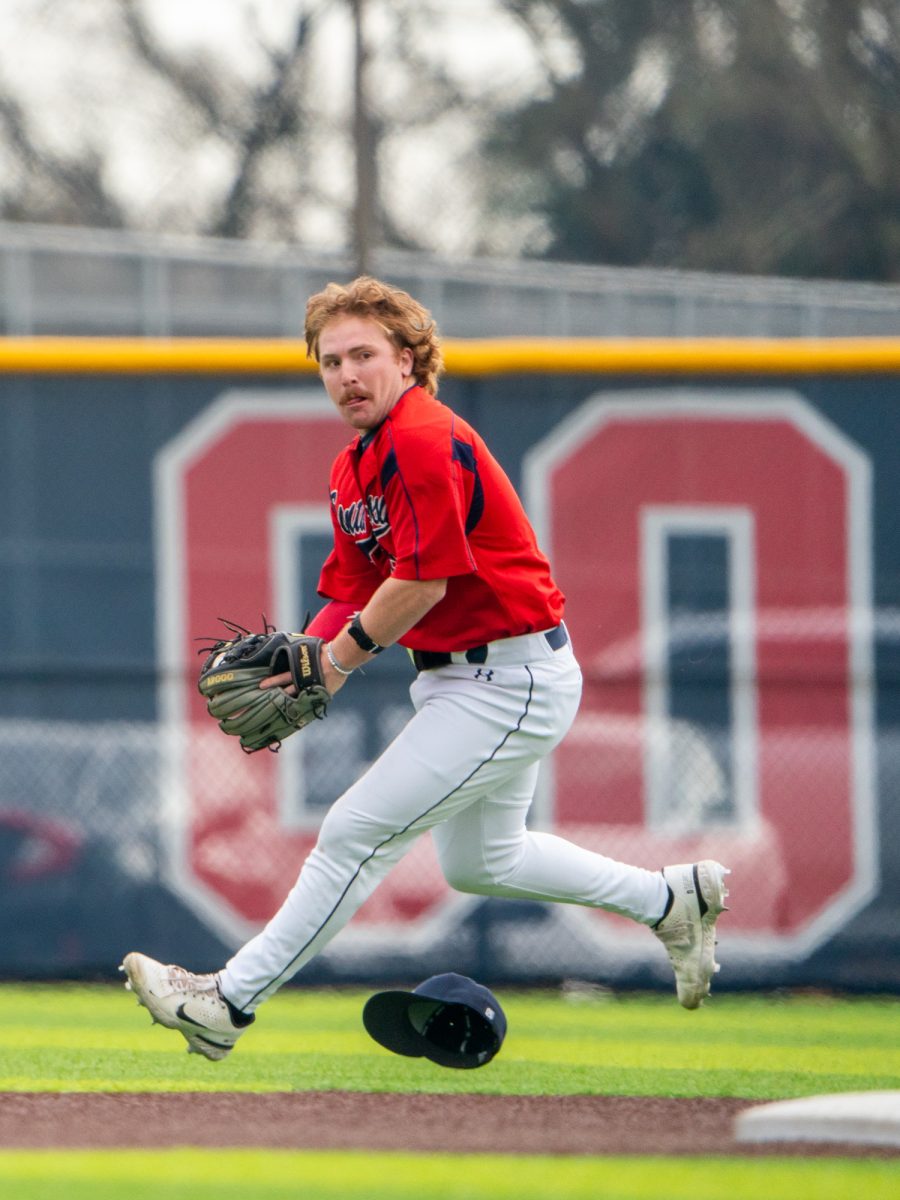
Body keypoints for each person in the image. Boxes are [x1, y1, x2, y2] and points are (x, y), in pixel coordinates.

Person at [121, 276, 729, 1060]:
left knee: (353, 833)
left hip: (510, 679)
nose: (346, 374)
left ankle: (227, 1002)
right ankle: (670, 900)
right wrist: (305, 656)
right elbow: (350, 588)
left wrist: (334, 666)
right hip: (466, 680)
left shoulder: (421, 436)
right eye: (330, 361)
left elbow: (423, 579)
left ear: (408, 360)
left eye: (364, 354)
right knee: (485, 860)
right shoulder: (354, 466)